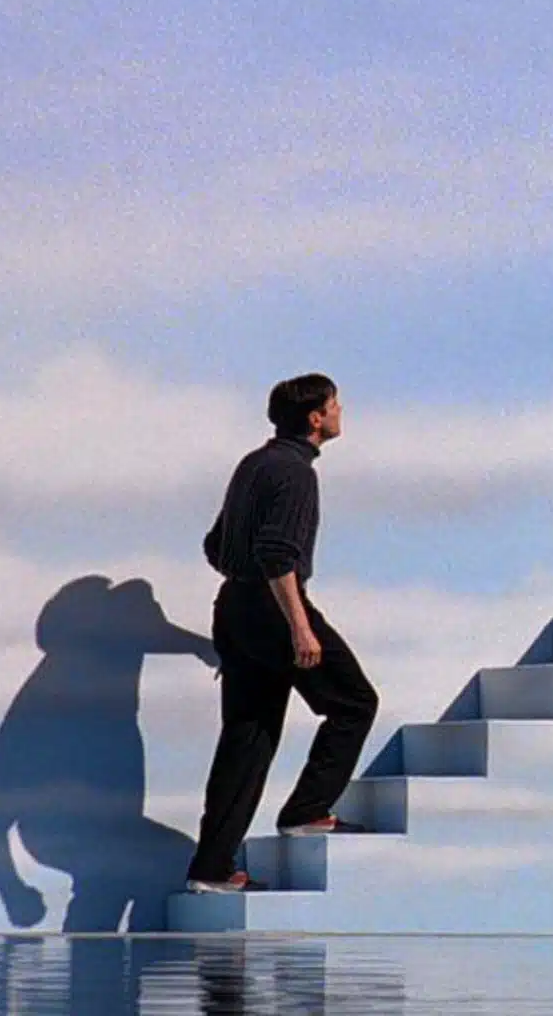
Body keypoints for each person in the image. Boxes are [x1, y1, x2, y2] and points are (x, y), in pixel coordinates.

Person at [185, 374, 379, 894]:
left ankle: (212, 868)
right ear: (316, 418)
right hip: (273, 607)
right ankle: (308, 810)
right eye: (335, 404)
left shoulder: (254, 463)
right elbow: (276, 554)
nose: (341, 411)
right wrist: (299, 627)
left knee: (247, 739)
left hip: (234, 607)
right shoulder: (296, 474)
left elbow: (215, 546)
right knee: (355, 703)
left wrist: (244, 601)